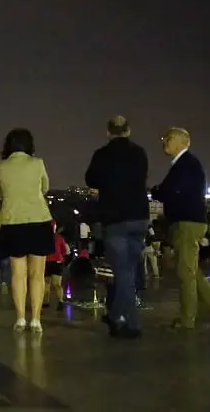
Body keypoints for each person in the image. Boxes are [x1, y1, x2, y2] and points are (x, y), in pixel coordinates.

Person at [150, 127, 210, 330]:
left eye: (168, 138)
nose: (164, 142)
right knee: (192, 271)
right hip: (190, 222)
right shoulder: (187, 164)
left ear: (181, 142)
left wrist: (158, 191)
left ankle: (188, 320)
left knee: (186, 273)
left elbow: (168, 190)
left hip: (187, 223)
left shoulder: (185, 165)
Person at [84, 115, 149, 338]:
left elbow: (91, 179)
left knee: (122, 272)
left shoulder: (101, 155)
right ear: (128, 131)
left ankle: (129, 322)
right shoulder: (139, 153)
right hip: (139, 216)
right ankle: (116, 314)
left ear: (109, 132)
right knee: (129, 270)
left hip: (115, 218)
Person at [0, 128, 52, 333]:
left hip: (12, 221)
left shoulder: (1, 167)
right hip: (38, 219)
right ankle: (36, 319)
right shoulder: (38, 163)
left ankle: (20, 318)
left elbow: (1, 192)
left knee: (17, 274)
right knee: (37, 274)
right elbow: (45, 187)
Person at [42, 221, 69, 310]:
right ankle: (60, 301)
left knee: (46, 283)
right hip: (57, 262)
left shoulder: (43, 238)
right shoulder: (59, 237)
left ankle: (46, 302)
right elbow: (64, 251)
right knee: (57, 284)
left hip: (46, 262)